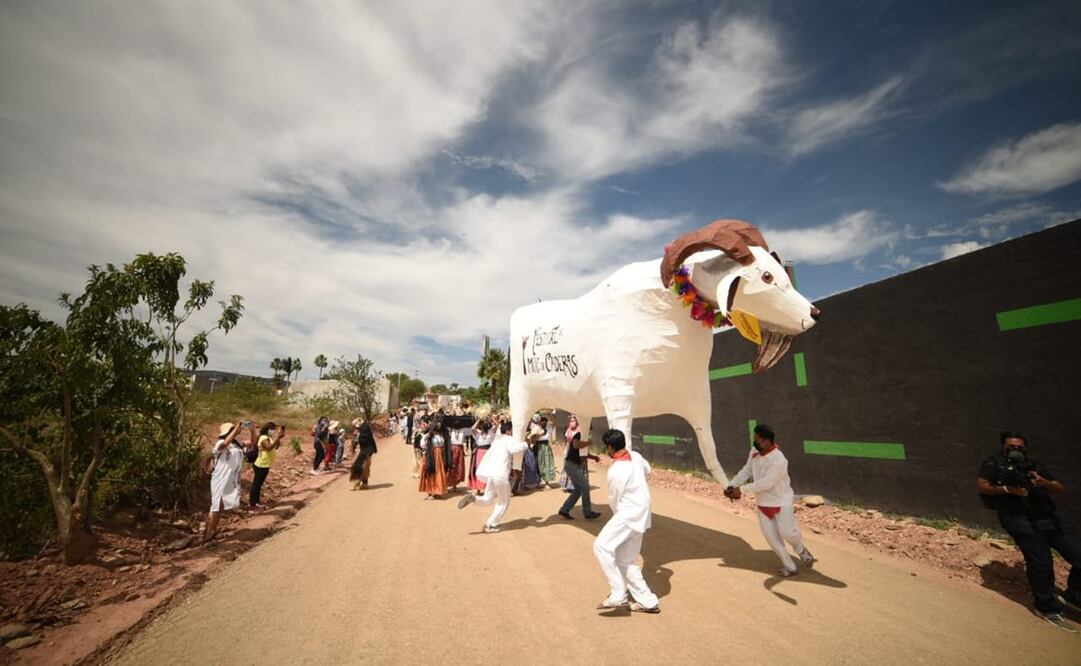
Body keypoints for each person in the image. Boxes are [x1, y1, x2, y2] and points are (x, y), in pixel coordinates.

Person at [977, 431, 1081, 629]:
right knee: (1041, 561)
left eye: (1019, 447)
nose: (1015, 450)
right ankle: (1046, 607)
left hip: (1047, 517)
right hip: (1017, 518)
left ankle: (1075, 596)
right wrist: (1007, 489)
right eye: (1011, 446)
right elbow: (982, 486)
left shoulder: (1033, 466)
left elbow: (1060, 488)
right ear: (1003, 446)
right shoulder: (994, 464)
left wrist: (1044, 482)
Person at [724, 424, 816, 578]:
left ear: (766, 441)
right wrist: (732, 485)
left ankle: (801, 550)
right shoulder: (755, 451)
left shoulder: (779, 460)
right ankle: (789, 566)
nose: (755, 442)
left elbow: (767, 483)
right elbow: (746, 470)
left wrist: (741, 490)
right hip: (763, 503)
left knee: (788, 533)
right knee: (772, 538)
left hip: (781, 501)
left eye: (757, 439)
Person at [593, 429, 660, 612]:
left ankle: (618, 594)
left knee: (601, 546)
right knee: (625, 560)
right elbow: (648, 470)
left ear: (609, 447)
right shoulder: (636, 456)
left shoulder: (615, 471)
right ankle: (648, 601)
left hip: (628, 513)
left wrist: (618, 515)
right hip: (643, 512)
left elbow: (615, 498)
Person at [458, 420, 527, 533]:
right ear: (509, 431)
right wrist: (525, 444)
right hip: (501, 475)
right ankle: (490, 525)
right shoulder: (508, 439)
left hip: (491, 474)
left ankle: (474, 498)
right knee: (504, 502)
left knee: (488, 499)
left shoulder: (497, 440)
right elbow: (515, 449)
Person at [203, 422, 249, 544]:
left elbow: (253, 444)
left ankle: (213, 531)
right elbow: (224, 444)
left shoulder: (237, 443)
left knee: (220, 506)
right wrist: (235, 431)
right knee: (216, 505)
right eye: (232, 430)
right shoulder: (220, 443)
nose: (236, 431)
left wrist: (253, 430)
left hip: (230, 479)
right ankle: (208, 534)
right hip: (220, 478)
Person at [558, 415, 601, 520]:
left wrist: (594, 457)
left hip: (572, 465)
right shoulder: (579, 435)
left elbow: (583, 452)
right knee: (585, 486)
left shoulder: (583, 436)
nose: (590, 430)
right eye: (589, 428)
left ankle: (565, 509)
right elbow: (576, 445)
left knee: (578, 489)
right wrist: (588, 443)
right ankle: (587, 512)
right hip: (571, 465)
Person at [250, 422, 284, 512]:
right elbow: (268, 448)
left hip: (265, 464)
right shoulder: (263, 438)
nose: (273, 431)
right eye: (272, 429)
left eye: (274, 429)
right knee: (256, 484)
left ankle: (256, 502)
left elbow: (276, 447)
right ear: (267, 429)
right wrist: (278, 438)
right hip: (261, 464)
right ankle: (252, 505)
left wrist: (278, 438)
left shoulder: (269, 438)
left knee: (259, 484)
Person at [419, 413, 452, 498]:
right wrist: (427, 436)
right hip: (431, 456)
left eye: (440, 425)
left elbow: (446, 445)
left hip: (440, 456)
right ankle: (429, 491)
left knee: (439, 473)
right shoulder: (429, 435)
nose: (438, 426)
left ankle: (438, 491)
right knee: (430, 472)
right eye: (437, 425)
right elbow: (422, 445)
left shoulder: (443, 435)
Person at [350, 417, 379, 490]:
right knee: (362, 465)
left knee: (363, 465)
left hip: (368, 449)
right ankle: (361, 482)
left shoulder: (365, 427)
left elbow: (366, 437)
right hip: (364, 449)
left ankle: (360, 482)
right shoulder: (361, 428)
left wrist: (358, 435)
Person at [468, 417, 495, 491]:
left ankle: (487, 487)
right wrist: (478, 420)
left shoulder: (491, 432)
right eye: (482, 424)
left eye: (485, 424)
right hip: (479, 452)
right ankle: (478, 488)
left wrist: (491, 418)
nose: (484, 425)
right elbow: (472, 428)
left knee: (488, 469)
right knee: (479, 469)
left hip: (489, 452)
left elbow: (497, 425)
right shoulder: (477, 432)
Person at [447, 421, 469, 490]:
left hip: (460, 449)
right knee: (451, 466)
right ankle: (447, 482)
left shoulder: (464, 430)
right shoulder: (450, 430)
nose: (456, 424)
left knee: (458, 467)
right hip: (452, 449)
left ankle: (455, 485)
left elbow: (472, 429)